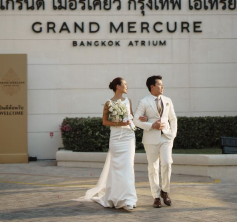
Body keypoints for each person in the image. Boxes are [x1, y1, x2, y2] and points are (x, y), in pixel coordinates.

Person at [75, 77, 138, 211]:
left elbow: (131, 116)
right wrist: (120, 123)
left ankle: (129, 199)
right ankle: (115, 197)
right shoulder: (108, 103)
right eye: (125, 84)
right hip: (116, 137)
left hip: (128, 137)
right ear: (118, 86)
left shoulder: (129, 101)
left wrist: (135, 120)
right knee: (116, 168)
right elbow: (105, 122)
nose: (127, 86)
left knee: (128, 166)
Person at [133, 75, 177, 208]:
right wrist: (152, 125)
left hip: (166, 137)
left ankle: (165, 191)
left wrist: (173, 134)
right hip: (150, 138)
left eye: (162, 85)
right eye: (159, 85)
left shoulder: (168, 100)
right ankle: (156, 197)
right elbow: (136, 120)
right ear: (152, 86)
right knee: (153, 168)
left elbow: (173, 118)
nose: (162, 87)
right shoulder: (144, 101)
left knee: (167, 163)